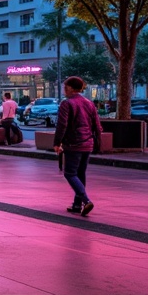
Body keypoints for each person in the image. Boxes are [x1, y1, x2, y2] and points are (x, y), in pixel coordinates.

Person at [55, 76, 100, 216]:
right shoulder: (89, 103)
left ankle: (86, 201)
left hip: (74, 143)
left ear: (69, 88)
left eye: (64, 87)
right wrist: (97, 142)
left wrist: (57, 143)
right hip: (88, 143)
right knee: (80, 173)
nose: (64, 90)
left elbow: (62, 125)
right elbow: (97, 125)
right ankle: (76, 204)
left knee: (69, 173)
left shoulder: (67, 103)